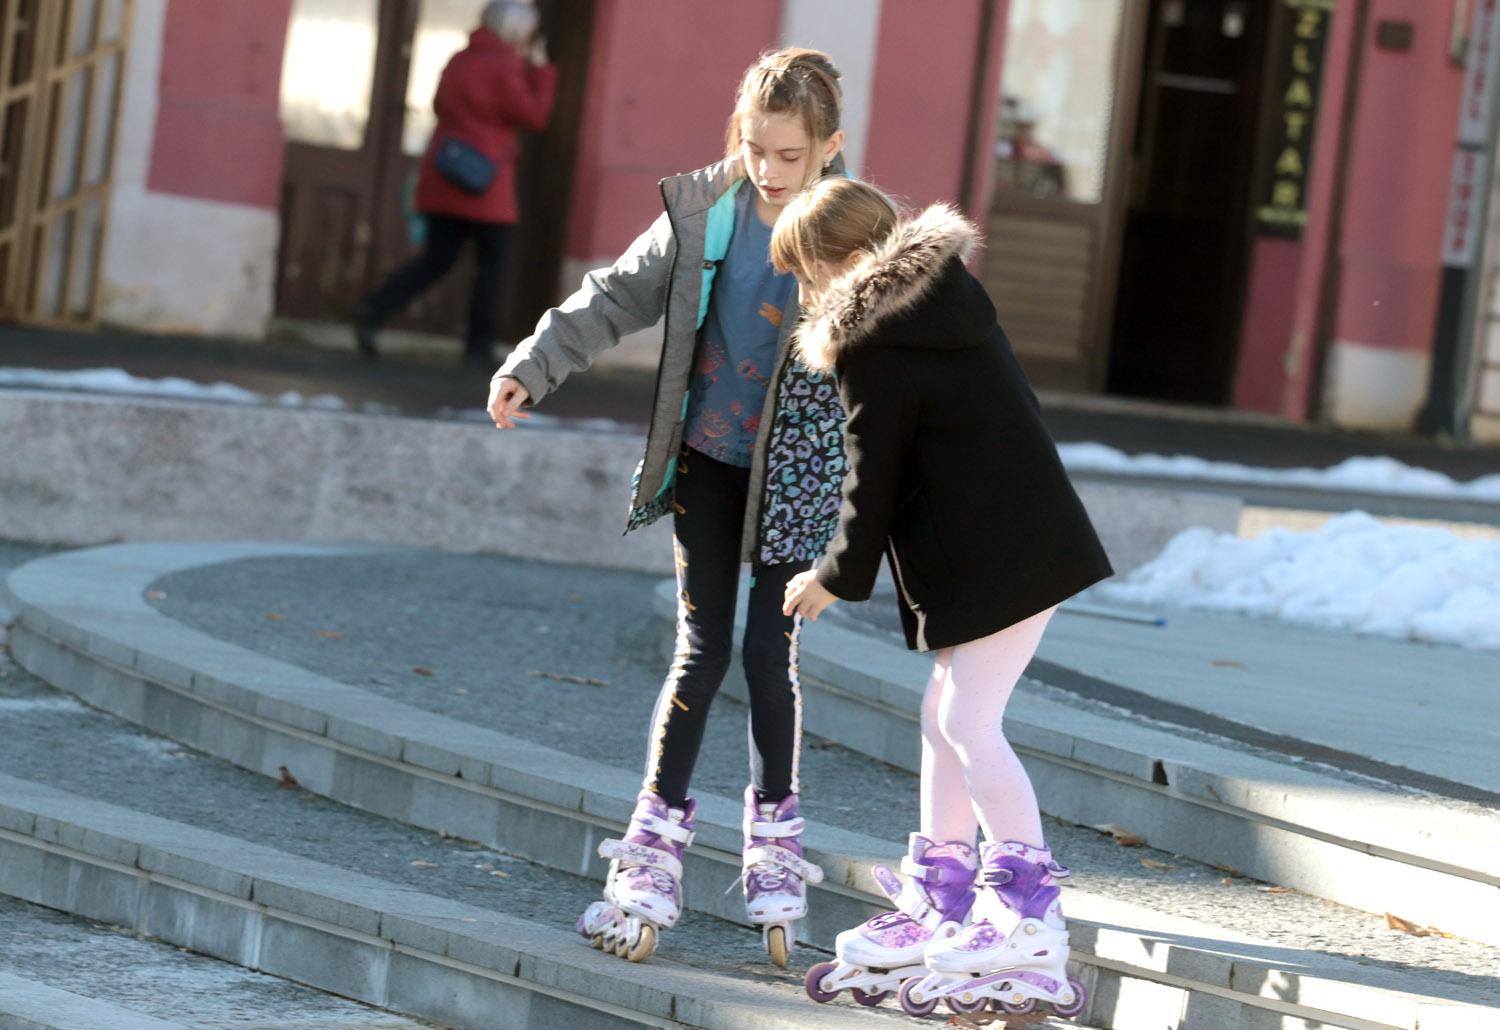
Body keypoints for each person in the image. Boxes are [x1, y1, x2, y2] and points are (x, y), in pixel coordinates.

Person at [486, 48, 849, 965]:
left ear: (829, 150)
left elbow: (910, 352)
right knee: (704, 648)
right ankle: (651, 848)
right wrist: (533, 364)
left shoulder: (850, 231)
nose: (768, 171)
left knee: (771, 651)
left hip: (798, 478)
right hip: (708, 463)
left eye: (790, 157)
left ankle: (774, 842)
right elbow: (615, 296)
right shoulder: (707, 212)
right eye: (755, 147)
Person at [776, 179, 1112, 1019]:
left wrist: (833, 576)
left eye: (810, 277)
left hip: (1004, 554)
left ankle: (1028, 915)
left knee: (968, 722)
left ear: (852, 265)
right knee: (943, 717)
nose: (808, 296)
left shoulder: (877, 340)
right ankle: (945, 896)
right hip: (1003, 543)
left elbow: (872, 476)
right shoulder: (942, 301)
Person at [355, 1, 556, 365]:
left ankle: (374, 308)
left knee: (437, 259)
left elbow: (438, 105)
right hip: (487, 185)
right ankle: (477, 347)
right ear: (514, 30)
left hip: (445, 174)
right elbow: (534, 115)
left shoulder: (459, 60)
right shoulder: (506, 66)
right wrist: (541, 70)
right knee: (492, 265)